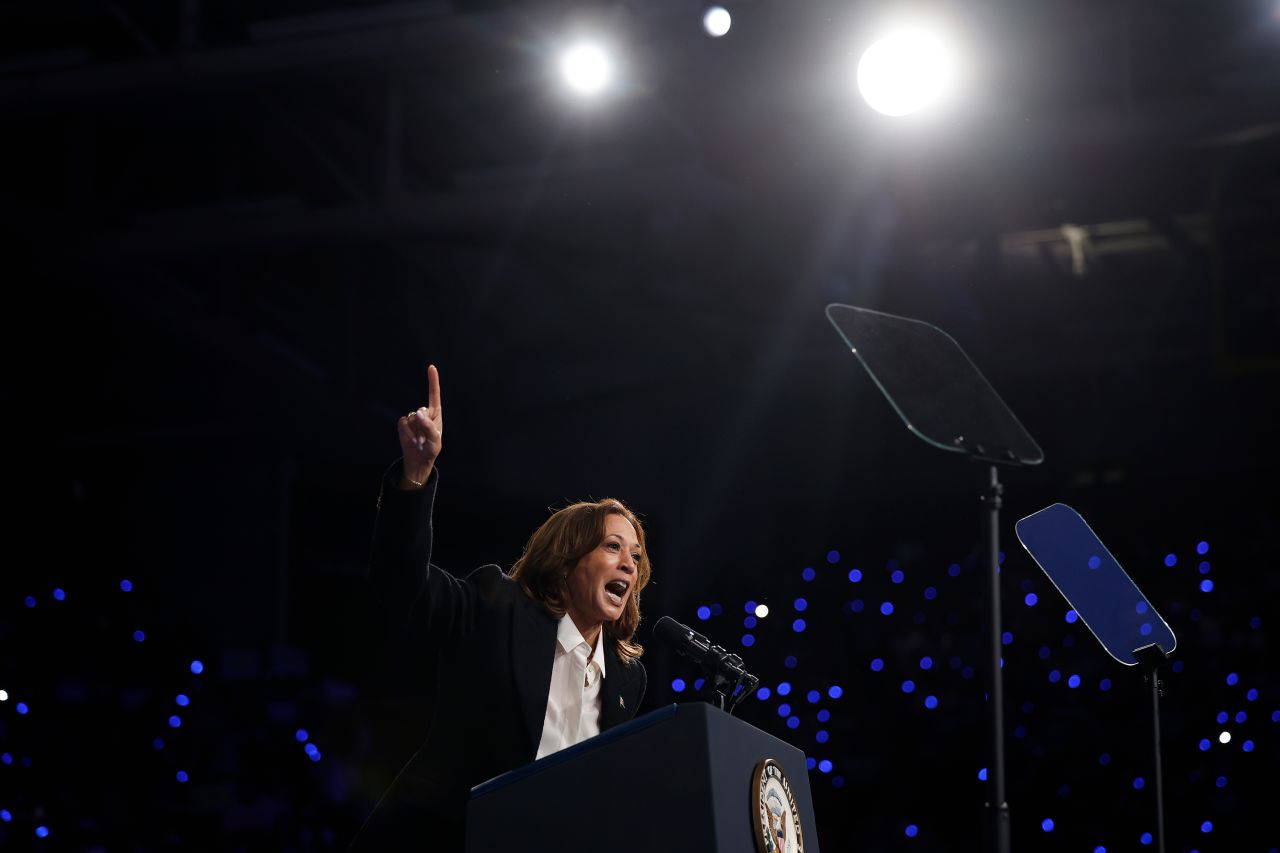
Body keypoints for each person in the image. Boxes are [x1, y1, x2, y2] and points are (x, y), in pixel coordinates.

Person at [348, 365, 652, 852]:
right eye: (613, 548)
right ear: (569, 560)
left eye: (635, 556)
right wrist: (416, 475)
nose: (629, 565)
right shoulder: (498, 608)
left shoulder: (626, 678)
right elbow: (402, 586)